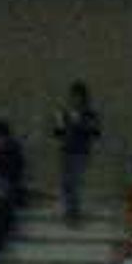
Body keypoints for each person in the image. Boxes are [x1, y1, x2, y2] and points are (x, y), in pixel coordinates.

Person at [51, 83, 101, 224]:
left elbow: (96, 133)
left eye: (79, 97)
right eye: (74, 97)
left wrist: (81, 123)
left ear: (84, 98)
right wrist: (60, 123)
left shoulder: (90, 114)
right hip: (66, 151)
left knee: (75, 182)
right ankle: (69, 210)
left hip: (81, 152)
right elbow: (57, 133)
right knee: (66, 183)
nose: (76, 100)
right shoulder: (64, 113)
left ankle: (74, 213)